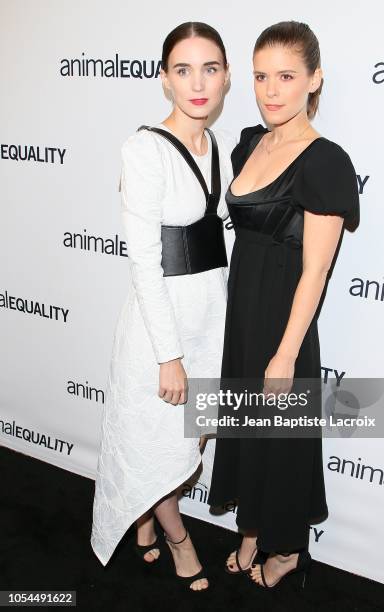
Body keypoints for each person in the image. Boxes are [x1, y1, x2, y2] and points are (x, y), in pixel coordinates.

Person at [208, 20, 360, 589]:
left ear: (314, 79)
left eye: (287, 76)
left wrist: (285, 355)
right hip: (243, 304)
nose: (271, 90)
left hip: (285, 315)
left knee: (280, 433)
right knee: (246, 425)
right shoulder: (251, 140)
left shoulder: (325, 161)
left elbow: (316, 269)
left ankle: (286, 548)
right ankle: (250, 527)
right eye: (261, 77)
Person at [91, 21, 233, 592]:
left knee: (190, 437)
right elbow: (144, 262)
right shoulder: (144, 148)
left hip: (208, 316)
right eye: (183, 69)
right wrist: (168, 355)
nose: (197, 82)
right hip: (162, 327)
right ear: (164, 79)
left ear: (225, 78)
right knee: (157, 439)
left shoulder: (214, 143)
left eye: (210, 68)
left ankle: (147, 520)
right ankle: (179, 539)